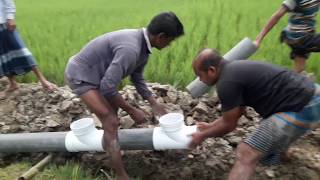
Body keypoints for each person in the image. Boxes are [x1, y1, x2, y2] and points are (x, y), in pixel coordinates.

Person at [65, 12, 184, 180]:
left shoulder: (143, 47)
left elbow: (137, 78)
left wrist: (153, 103)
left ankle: (109, 151)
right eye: (170, 41)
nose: (169, 45)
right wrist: (131, 110)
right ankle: (121, 175)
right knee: (111, 121)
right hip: (81, 75)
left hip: (98, 76)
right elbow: (107, 88)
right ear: (161, 36)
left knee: (111, 117)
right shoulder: (131, 49)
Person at [189, 48, 320, 180]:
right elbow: (235, 113)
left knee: (246, 152)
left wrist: (202, 135)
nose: (200, 80)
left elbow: (228, 125)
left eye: (200, 75)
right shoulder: (236, 69)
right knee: (269, 131)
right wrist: (210, 126)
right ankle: (278, 155)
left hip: (302, 106)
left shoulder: (226, 83)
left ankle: (275, 154)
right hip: (312, 95)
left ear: (211, 70)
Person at [0, 0, 56, 98]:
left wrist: (10, 17)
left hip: (4, 22)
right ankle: (12, 84)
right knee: (2, 57)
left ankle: (42, 80)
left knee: (21, 50)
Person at [255, 0, 320, 73]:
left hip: (301, 37)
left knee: (298, 73)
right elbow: (277, 16)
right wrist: (259, 38)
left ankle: (272, 74)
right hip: (298, 37)